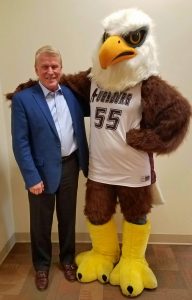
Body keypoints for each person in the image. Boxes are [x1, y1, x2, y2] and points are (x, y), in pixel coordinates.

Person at [11, 45, 89, 290]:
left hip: (70, 166)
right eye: (45, 66)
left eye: (55, 66)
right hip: (41, 172)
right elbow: (20, 142)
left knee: (68, 218)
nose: (50, 71)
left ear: (61, 68)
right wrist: (31, 177)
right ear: (36, 69)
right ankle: (42, 266)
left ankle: (67, 260)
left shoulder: (72, 94)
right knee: (41, 223)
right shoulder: (24, 99)